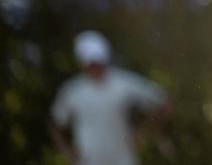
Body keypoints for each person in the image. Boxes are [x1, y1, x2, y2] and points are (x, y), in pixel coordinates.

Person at [50, 31, 170, 165]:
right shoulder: (73, 90)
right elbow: (56, 124)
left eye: (96, 61)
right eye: (90, 62)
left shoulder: (123, 82)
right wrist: (68, 153)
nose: (94, 66)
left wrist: (143, 133)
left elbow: (162, 101)